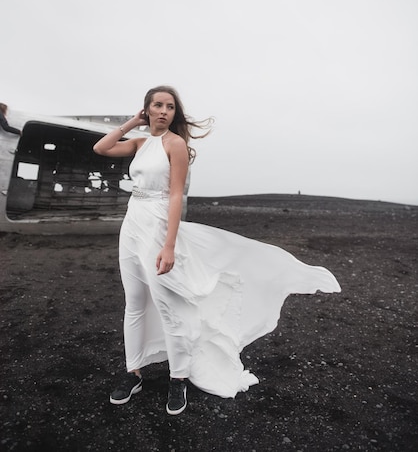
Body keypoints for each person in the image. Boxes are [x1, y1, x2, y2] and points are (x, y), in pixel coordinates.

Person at [93, 85, 341, 416]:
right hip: (132, 224)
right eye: (157, 105)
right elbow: (100, 147)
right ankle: (133, 373)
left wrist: (168, 245)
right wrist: (130, 123)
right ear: (147, 109)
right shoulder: (141, 142)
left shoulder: (175, 144)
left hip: (158, 226)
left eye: (170, 106)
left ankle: (178, 377)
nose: (164, 111)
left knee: (169, 306)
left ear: (174, 113)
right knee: (135, 302)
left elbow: (177, 195)